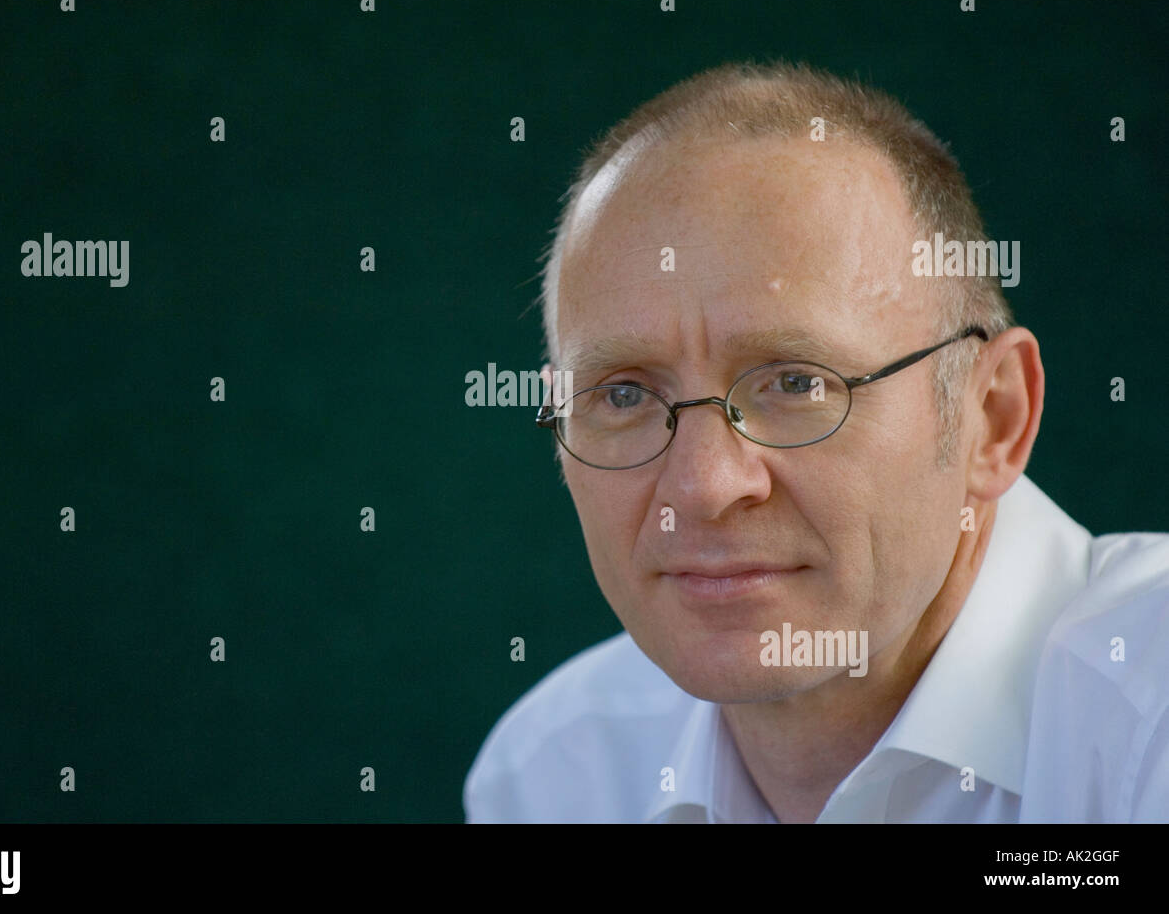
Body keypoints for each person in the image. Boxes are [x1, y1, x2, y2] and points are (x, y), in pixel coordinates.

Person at [464, 61, 1169, 823]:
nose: (701, 485)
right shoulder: (554, 776)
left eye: (796, 383)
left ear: (993, 418)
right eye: (624, 394)